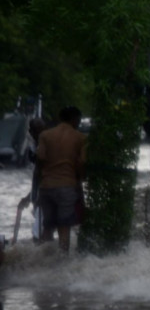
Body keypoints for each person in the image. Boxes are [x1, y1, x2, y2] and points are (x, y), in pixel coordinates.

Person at [36, 106, 87, 253]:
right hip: (66, 186)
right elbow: (82, 162)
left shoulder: (45, 135)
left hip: (46, 187)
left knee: (48, 226)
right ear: (75, 120)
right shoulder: (81, 138)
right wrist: (80, 177)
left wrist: (42, 178)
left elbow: (40, 157)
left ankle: (38, 261)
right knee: (64, 227)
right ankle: (62, 262)